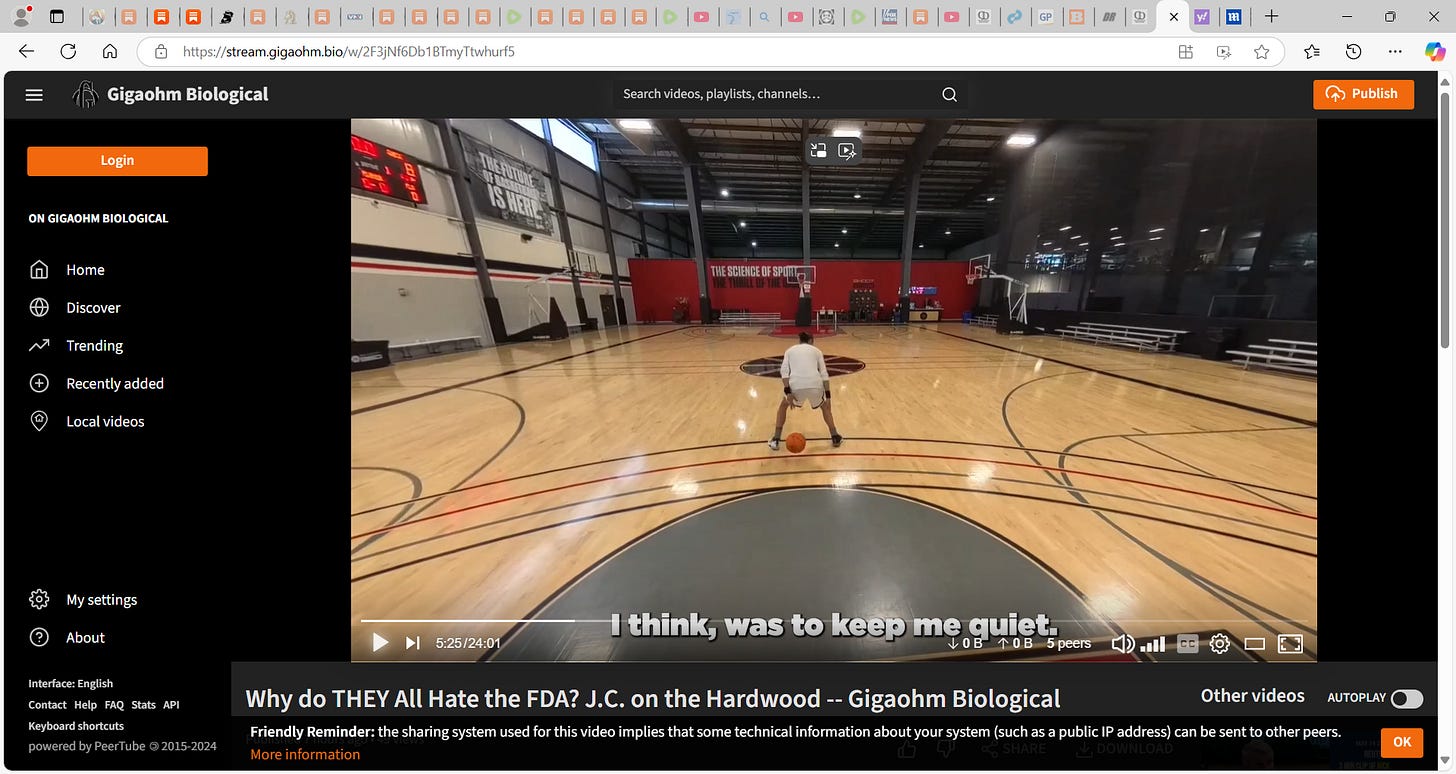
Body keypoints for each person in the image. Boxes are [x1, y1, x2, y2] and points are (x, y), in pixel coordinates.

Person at [768, 332, 843, 450]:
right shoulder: (817, 351)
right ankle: (835, 436)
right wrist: (828, 396)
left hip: (795, 385)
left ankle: (776, 439)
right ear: (811, 340)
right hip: (815, 384)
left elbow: (784, 372)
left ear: (800, 341)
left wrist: (788, 392)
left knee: (783, 406)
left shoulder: (789, 350)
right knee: (825, 407)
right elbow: (824, 374)